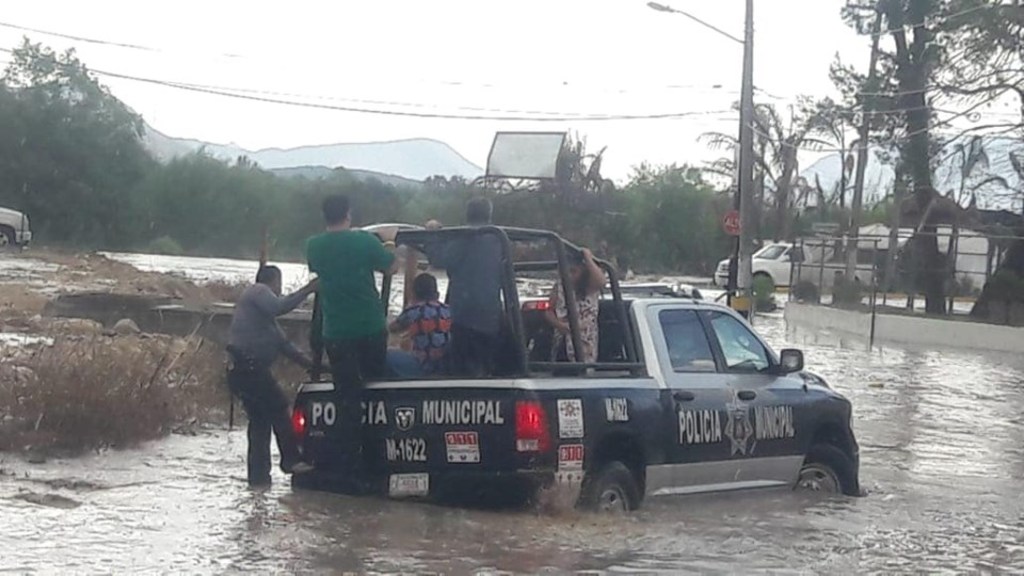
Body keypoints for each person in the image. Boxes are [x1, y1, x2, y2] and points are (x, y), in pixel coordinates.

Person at [306, 194, 397, 474]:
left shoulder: (314, 247)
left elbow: (326, 271)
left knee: (347, 398)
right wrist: (389, 240)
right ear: (348, 213)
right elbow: (389, 265)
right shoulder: (364, 241)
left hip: (335, 332)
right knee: (375, 390)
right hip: (370, 327)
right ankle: (375, 456)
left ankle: (346, 461)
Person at [226, 265, 318, 486]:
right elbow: (279, 306)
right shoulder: (257, 290)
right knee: (278, 407)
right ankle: (290, 460)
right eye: (279, 284)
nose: (280, 289)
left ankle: (258, 480)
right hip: (247, 368)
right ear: (273, 281)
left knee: (260, 422)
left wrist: (315, 366)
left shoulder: (266, 324)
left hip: (242, 371)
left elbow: (286, 347)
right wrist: (308, 289)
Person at [423, 199, 504, 377]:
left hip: (464, 314)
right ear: (489, 216)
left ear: (467, 215)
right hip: (491, 315)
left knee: (462, 369)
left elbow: (439, 258)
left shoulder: (464, 236)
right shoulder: (498, 240)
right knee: (484, 364)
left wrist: (431, 234)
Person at [545, 248, 605, 363]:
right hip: (562, 340)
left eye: (574, 271)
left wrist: (588, 258)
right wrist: (559, 325)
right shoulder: (559, 286)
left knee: (582, 369)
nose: (569, 275)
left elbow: (601, 281)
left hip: (584, 343)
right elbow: (549, 310)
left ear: (583, 271)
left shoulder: (590, 287)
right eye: (566, 271)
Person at [388, 272, 452, 377]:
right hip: (446, 367)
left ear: (413, 293)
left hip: (422, 367)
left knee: (388, 356)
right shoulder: (448, 310)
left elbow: (392, 329)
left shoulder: (413, 311)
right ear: (437, 294)